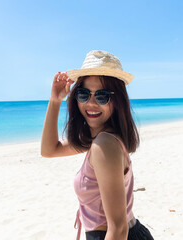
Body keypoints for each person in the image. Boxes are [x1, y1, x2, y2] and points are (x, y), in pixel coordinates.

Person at [41, 50, 154, 240]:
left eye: (102, 96)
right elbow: (49, 150)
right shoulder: (98, 139)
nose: (91, 103)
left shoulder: (104, 144)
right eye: (84, 94)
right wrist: (55, 101)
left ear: (117, 100)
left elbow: (118, 229)